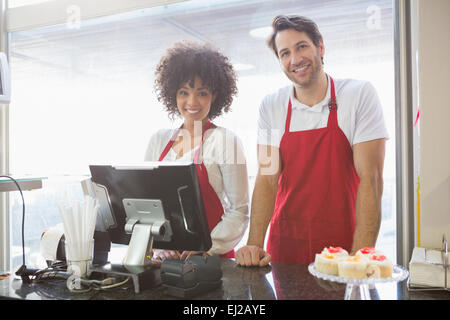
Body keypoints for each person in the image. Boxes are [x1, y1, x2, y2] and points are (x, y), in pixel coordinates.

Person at [235, 15, 388, 266]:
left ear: (320, 47)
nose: (294, 59)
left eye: (301, 46)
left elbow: (370, 180)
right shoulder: (271, 106)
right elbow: (267, 178)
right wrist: (253, 245)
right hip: (285, 249)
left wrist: (359, 257)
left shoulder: (359, 95)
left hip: (343, 250)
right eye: (285, 53)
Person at [145, 41, 249, 262]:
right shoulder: (158, 140)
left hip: (210, 260)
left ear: (215, 95)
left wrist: (207, 248)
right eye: (184, 92)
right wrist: (157, 248)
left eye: (202, 93)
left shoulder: (225, 141)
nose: (192, 102)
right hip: (167, 259)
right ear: (172, 93)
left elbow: (239, 210)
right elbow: (147, 204)